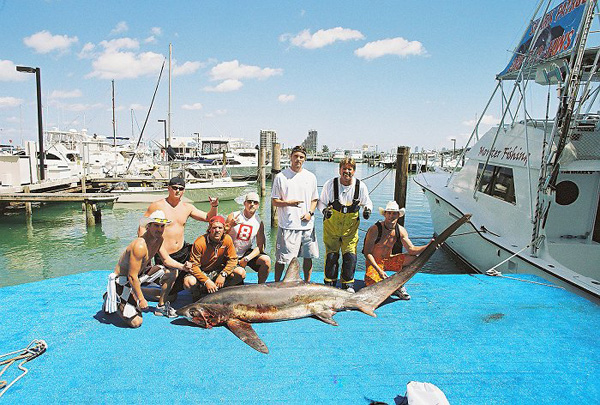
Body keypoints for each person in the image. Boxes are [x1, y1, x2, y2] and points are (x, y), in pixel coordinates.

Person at [103, 210, 190, 327]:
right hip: (124, 280)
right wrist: (141, 299)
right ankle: (111, 296)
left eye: (162, 226)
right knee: (136, 322)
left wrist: (183, 267)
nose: (159, 229)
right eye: (156, 225)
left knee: (171, 271)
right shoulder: (139, 246)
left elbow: (166, 260)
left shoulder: (159, 240)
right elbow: (131, 276)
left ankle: (161, 306)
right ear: (148, 226)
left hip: (140, 275)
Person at [138, 176, 218, 300]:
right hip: (165, 255)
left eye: (180, 188)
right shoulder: (157, 205)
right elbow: (142, 227)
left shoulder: (187, 207)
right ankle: (139, 291)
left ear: (184, 191)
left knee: (193, 275)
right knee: (171, 296)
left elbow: (208, 218)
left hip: (183, 251)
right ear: (168, 188)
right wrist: (146, 249)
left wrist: (214, 206)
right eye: (174, 188)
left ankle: (201, 287)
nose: (177, 191)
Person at [318, 157, 373, 293]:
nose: (347, 172)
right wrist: (324, 211)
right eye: (344, 169)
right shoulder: (330, 184)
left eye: (350, 169)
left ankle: (348, 284)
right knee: (331, 255)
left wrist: (367, 210)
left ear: (354, 171)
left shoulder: (360, 186)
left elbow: (368, 202)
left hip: (350, 229)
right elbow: (321, 202)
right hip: (332, 227)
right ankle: (330, 283)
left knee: (350, 255)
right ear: (339, 170)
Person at [362, 201, 431, 300]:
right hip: (375, 264)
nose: (391, 216)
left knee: (414, 259)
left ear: (399, 215)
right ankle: (390, 284)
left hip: (388, 261)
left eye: (394, 213)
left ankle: (400, 284)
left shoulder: (401, 230)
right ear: (385, 214)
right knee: (373, 286)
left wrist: (428, 246)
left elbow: (411, 250)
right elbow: (367, 252)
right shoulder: (375, 229)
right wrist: (379, 270)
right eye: (389, 213)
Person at [271, 145, 319, 281]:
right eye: (296, 156)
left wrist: (310, 213)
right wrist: (288, 203)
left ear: (305, 159)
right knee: (281, 259)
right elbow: (274, 201)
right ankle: (277, 283)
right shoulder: (281, 177)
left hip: (307, 225)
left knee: (308, 257)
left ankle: (307, 282)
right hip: (287, 226)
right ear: (291, 157)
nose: (298, 159)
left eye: (301, 157)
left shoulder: (311, 177)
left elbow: (314, 199)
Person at [182, 215, 246, 299]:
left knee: (241, 272)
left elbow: (233, 260)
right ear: (209, 229)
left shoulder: (227, 239)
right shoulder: (199, 242)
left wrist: (223, 274)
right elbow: (194, 266)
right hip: (203, 272)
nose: (217, 230)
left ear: (224, 229)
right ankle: (198, 296)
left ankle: (223, 291)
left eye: (220, 228)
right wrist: (206, 281)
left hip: (218, 271)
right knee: (188, 282)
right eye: (214, 228)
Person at [226, 192, 271, 283]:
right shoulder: (234, 216)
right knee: (239, 275)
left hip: (245, 253)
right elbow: (221, 236)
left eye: (255, 202)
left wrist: (247, 258)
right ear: (244, 203)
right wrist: (230, 225)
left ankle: (260, 286)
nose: (252, 204)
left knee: (266, 260)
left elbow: (260, 246)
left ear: (258, 205)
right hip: (230, 253)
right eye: (250, 202)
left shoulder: (258, 222)